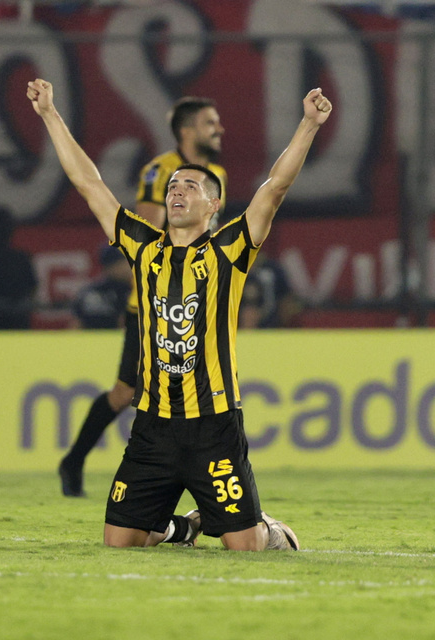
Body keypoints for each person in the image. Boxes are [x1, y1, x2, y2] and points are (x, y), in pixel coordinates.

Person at [29, 76, 331, 550]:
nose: (177, 191)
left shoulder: (229, 249)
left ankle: (269, 530)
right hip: (153, 426)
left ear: (213, 205)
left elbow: (275, 187)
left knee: (244, 549)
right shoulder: (143, 247)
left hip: (214, 425)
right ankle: (185, 527)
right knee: (119, 543)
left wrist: (309, 125)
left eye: (190, 186)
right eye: (173, 185)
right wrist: (49, 114)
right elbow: (88, 183)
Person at [58, 98, 227, 497]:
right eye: (210, 123)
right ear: (187, 131)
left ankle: (198, 478)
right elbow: (149, 238)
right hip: (155, 306)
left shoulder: (216, 175)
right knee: (125, 393)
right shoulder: (160, 171)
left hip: (198, 305)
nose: (219, 129)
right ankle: (75, 461)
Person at [69, 245, 131, 330]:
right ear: (111, 266)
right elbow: (76, 325)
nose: (129, 266)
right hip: (105, 337)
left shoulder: (88, 291)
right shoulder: (89, 293)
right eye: (125, 262)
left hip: (102, 337)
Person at [240, 252, 300, 329]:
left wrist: (281, 324)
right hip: (236, 329)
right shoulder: (231, 269)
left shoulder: (274, 270)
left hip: (271, 327)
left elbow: (287, 300)